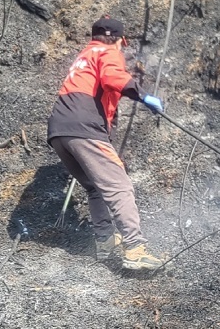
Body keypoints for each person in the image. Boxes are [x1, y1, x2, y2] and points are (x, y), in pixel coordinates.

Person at [47, 15, 165, 270]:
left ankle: (105, 241)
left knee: (93, 186)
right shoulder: (107, 52)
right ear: (120, 40)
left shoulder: (84, 56)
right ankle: (135, 248)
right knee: (119, 186)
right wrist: (143, 96)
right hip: (84, 129)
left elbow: (97, 94)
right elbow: (113, 78)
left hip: (59, 132)